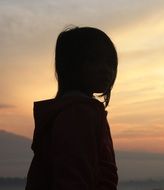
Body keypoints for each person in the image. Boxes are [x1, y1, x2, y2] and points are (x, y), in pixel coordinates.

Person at [25, 26, 118, 190]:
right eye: (93, 60)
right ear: (71, 65)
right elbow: (73, 178)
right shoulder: (78, 114)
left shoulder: (76, 110)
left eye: (110, 62)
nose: (105, 69)